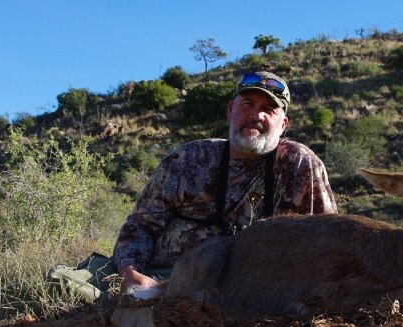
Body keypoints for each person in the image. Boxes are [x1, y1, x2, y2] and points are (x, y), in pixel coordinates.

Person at [113, 71, 338, 291]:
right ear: (231, 111)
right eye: (248, 104)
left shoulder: (300, 165)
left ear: (283, 124)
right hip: (164, 279)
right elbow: (140, 226)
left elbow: (327, 243)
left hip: (253, 290)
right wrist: (131, 274)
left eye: (268, 110)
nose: (256, 115)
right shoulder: (189, 159)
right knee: (81, 285)